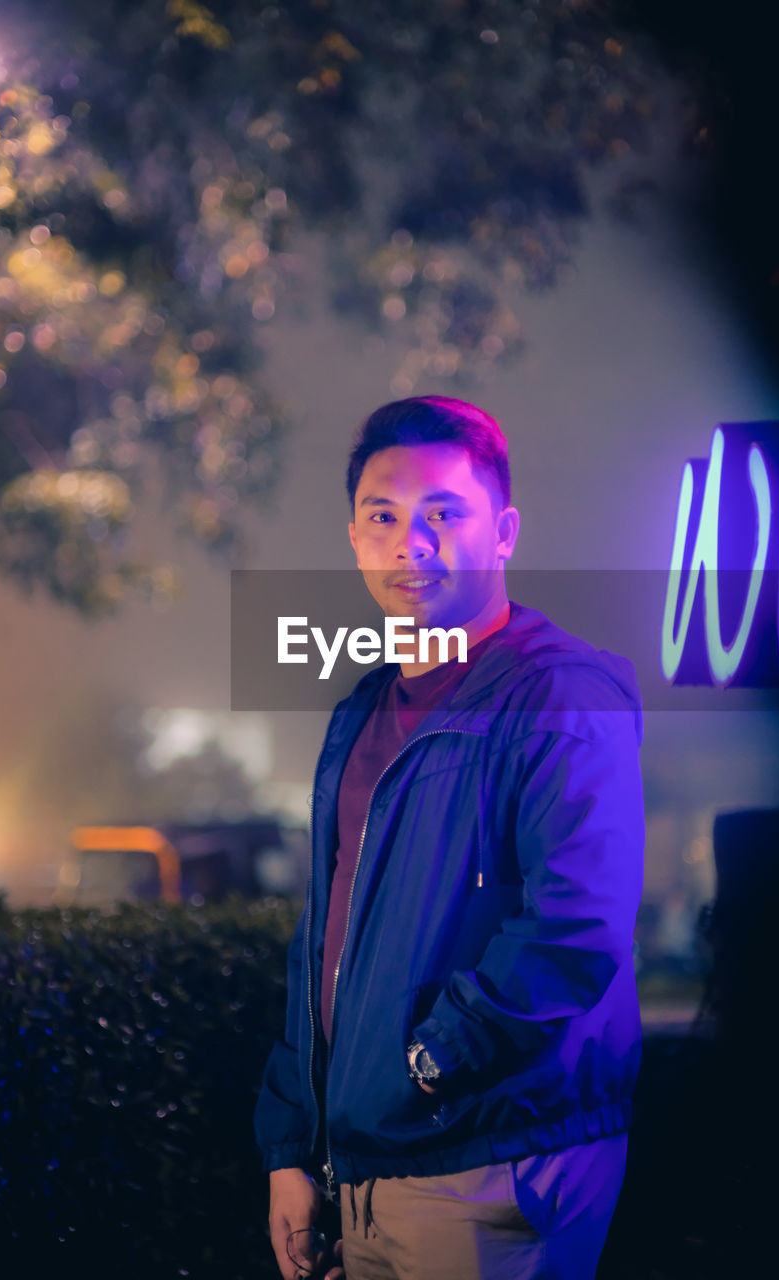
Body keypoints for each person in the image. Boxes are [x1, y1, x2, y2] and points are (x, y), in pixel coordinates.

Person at [254, 395, 645, 1280]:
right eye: (383, 517)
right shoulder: (361, 709)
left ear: (502, 531)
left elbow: (575, 928)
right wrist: (291, 1142)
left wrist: (428, 1063)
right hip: (359, 1165)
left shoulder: (557, 693)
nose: (410, 542)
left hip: (490, 1162)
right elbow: (325, 939)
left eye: (444, 513)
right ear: (352, 537)